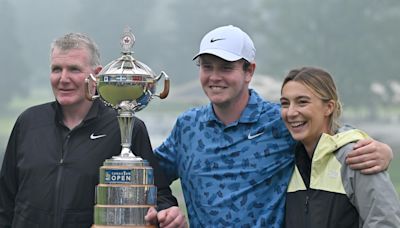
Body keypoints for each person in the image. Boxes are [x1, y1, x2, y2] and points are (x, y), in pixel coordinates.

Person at [152, 25, 394, 227]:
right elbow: (152, 174)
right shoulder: (187, 127)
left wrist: (382, 149)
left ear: (249, 71)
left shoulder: (280, 121)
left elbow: (328, 132)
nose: (215, 77)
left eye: (226, 68)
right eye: (207, 67)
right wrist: (167, 207)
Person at [0, 33, 186, 228]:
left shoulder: (127, 128)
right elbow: (5, 199)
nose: (63, 78)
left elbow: (160, 197)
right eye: (57, 69)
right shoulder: (29, 122)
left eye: (74, 69)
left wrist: (166, 214)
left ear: (96, 75)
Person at [281, 66, 400, 227]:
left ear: (329, 107)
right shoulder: (284, 160)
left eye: (302, 102)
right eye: (285, 103)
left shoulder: (358, 157)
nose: (291, 112)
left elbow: (385, 222)